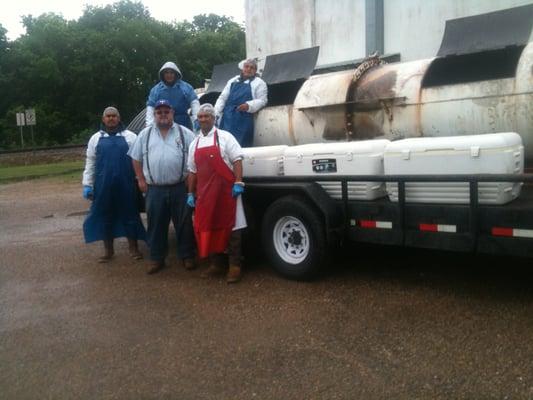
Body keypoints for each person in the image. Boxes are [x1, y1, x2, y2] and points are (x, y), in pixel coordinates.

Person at [129, 99, 197, 274]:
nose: (163, 115)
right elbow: (135, 158)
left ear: (172, 113)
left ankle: (187, 256)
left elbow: (194, 158)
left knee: (184, 224)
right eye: (159, 112)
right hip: (154, 189)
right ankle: (156, 258)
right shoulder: (144, 135)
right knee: (156, 224)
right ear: (154, 115)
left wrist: (191, 182)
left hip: (180, 187)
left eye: (166, 111)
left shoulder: (185, 132)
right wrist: (141, 180)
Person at [187, 103, 247, 283]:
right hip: (205, 194)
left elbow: (237, 159)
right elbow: (192, 171)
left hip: (226, 192)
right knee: (209, 228)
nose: (203, 119)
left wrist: (238, 182)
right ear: (197, 120)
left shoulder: (225, 137)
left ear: (214, 118)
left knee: (232, 228)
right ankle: (216, 264)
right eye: (201, 117)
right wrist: (190, 193)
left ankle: (235, 266)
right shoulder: (194, 143)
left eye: (207, 116)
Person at [82, 106, 146, 263]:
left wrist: (141, 180)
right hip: (103, 185)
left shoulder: (131, 137)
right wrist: (87, 184)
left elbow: (139, 160)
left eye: (114, 116)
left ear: (119, 118)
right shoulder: (95, 138)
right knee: (105, 216)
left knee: (130, 215)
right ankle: (108, 251)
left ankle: (134, 248)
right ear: (103, 119)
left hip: (127, 184)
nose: (111, 118)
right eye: (108, 116)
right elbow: (90, 162)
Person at [214, 58, 268, 147]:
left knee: (241, 146)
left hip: (245, 119)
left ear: (255, 70)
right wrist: (216, 113)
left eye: (252, 67)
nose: (249, 69)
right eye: (246, 67)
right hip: (228, 118)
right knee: (224, 145)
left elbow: (263, 100)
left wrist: (248, 105)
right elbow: (222, 98)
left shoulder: (260, 83)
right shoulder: (232, 81)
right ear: (242, 68)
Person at [146, 61, 199, 131]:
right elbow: (150, 108)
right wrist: (149, 126)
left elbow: (194, 103)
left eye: (171, 72)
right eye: (166, 73)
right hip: (163, 123)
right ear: (163, 74)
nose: (169, 75)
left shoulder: (186, 87)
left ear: (176, 74)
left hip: (183, 124)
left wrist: (197, 119)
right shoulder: (156, 90)